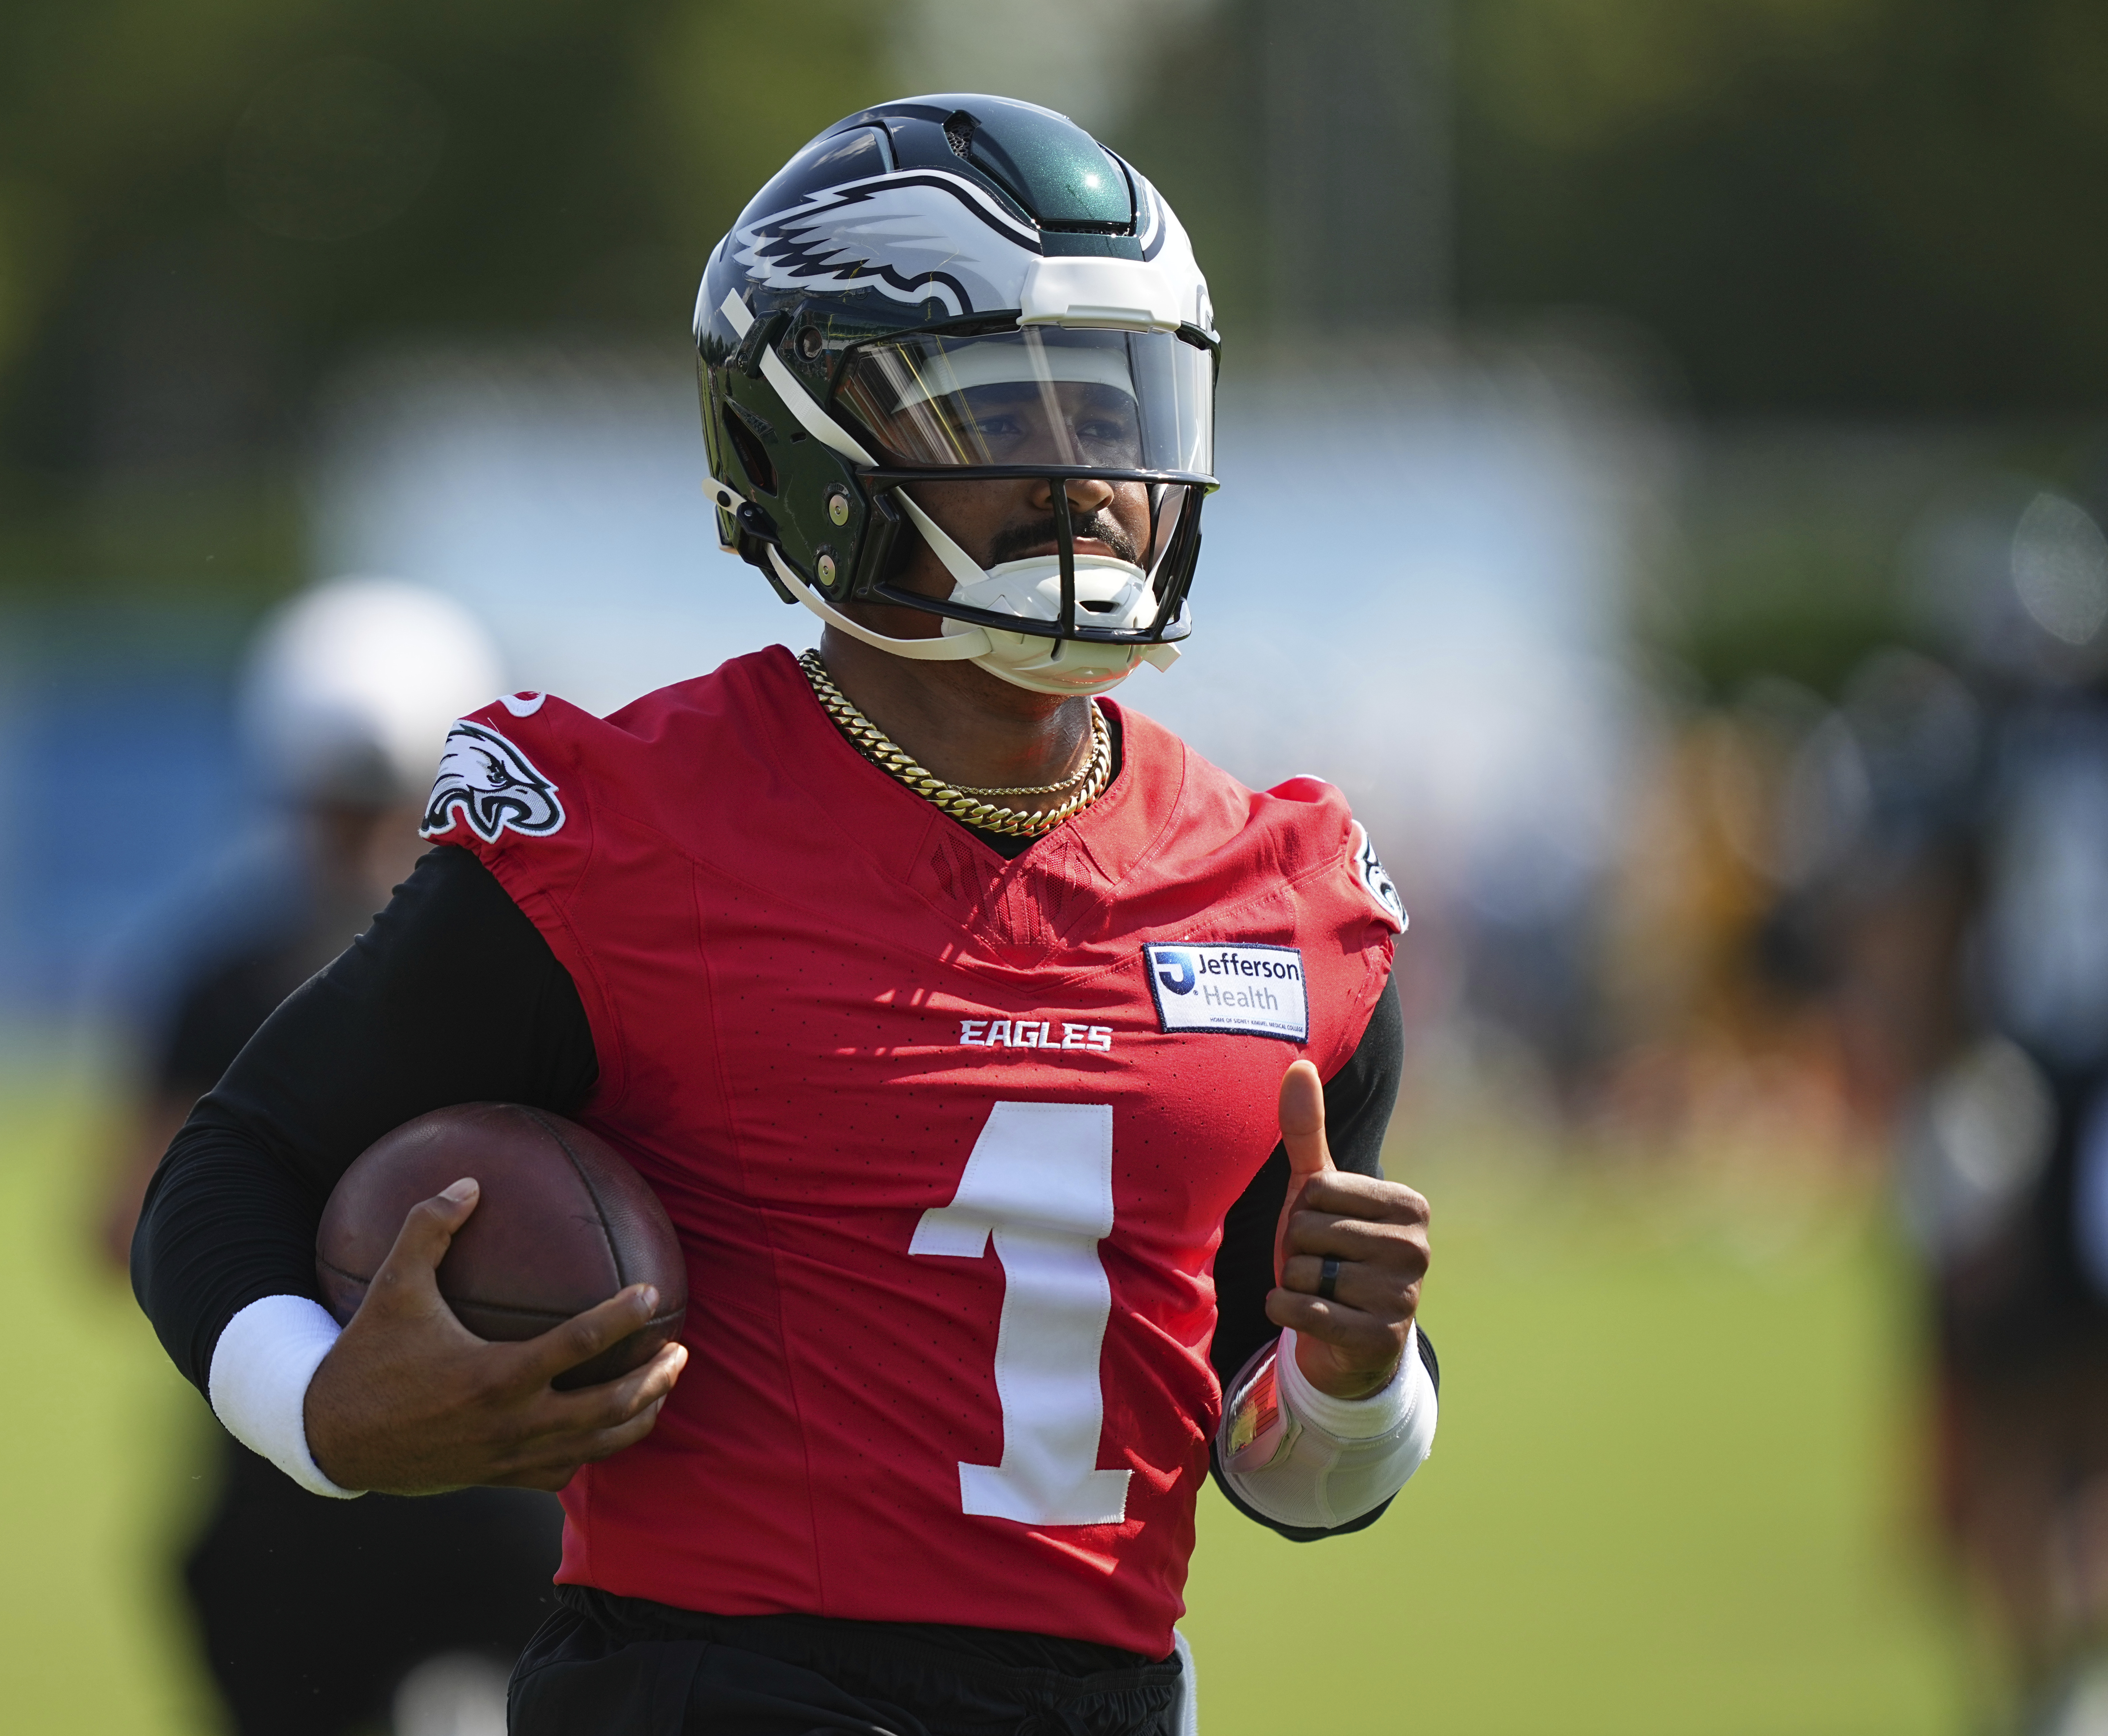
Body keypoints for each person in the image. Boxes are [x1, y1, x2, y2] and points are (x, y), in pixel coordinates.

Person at [136, 95, 1438, 1736]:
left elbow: (1296, 1477)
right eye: (998, 414)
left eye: (1113, 409)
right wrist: (317, 1406)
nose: (1088, 480)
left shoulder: (1287, 897)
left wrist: (1354, 1377)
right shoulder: (627, 830)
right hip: (714, 1685)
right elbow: (232, 1162)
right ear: (808, 453)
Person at [100, 581, 563, 1736]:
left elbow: (119, 1229)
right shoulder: (539, 969)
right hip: (496, 1483)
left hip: (297, 1477)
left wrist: (293, 1266)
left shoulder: (223, 978)